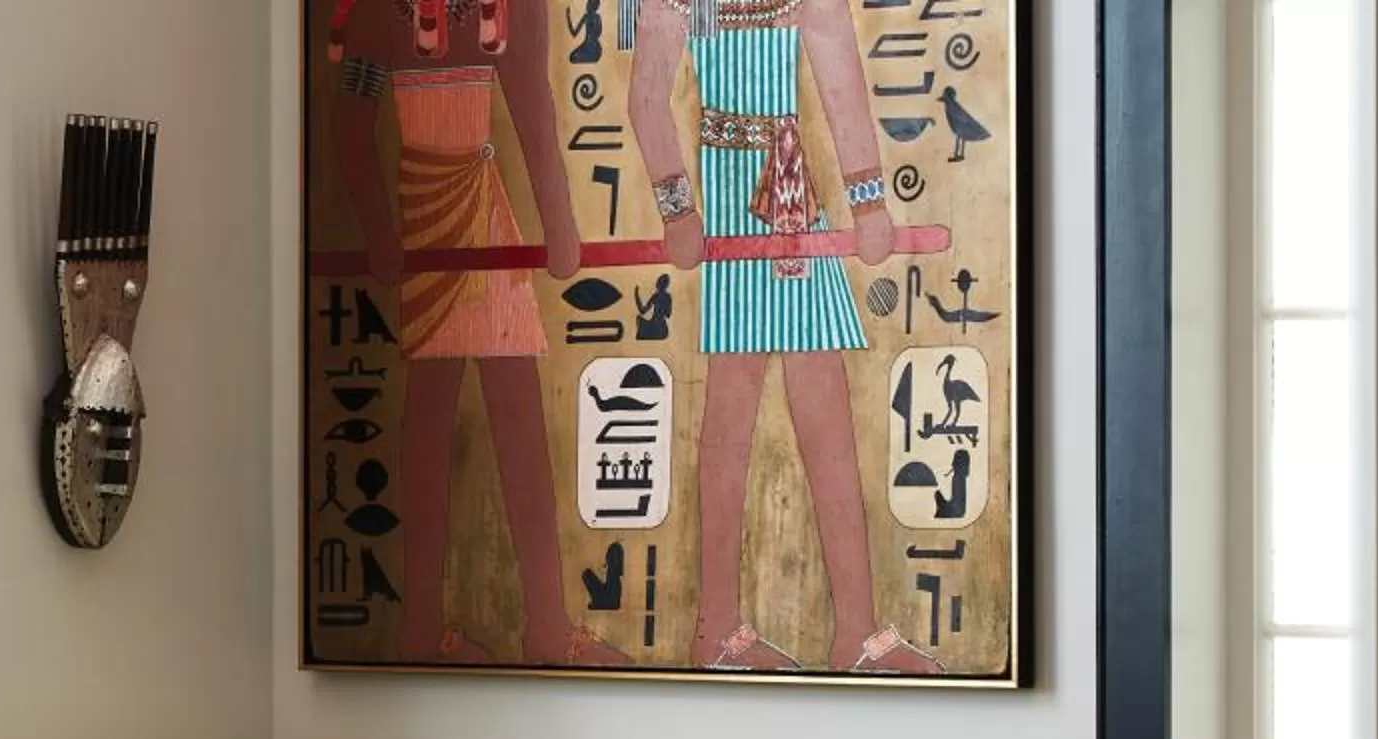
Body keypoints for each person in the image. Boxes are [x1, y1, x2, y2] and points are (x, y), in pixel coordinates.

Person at [631, 0, 939, 673]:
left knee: (825, 411)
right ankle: (715, 626)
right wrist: (676, 205)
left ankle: (855, 630)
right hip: (727, 202)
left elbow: (839, 75)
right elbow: (648, 100)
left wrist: (867, 199)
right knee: (729, 417)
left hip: (791, 189)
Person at [331, 0, 623, 667]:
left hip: (470, 216)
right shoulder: (376, 13)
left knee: (498, 414)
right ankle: (448, 628)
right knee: (443, 419)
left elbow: (529, 100)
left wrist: (559, 224)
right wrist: (380, 235)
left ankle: (527, 627)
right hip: (438, 217)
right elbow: (350, 126)